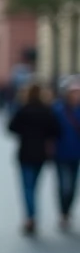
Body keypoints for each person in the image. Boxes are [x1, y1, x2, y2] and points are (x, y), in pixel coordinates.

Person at [9, 83, 61, 236]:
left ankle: (30, 217)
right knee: (35, 186)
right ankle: (32, 215)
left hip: (25, 152)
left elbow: (11, 127)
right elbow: (56, 131)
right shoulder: (47, 111)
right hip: (40, 154)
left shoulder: (23, 110)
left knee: (27, 187)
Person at [54, 78, 80, 231]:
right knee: (65, 185)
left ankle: (67, 211)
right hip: (61, 153)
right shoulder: (58, 109)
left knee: (73, 185)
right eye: (74, 92)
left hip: (76, 153)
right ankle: (63, 212)